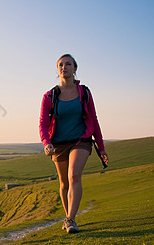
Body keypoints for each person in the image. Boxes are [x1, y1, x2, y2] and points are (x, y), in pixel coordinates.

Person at [39, 54, 109, 233]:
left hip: (81, 140)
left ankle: (70, 219)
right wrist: (46, 142)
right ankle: (68, 217)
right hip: (59, 144)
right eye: (61, 65)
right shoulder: (49, 96)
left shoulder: (84, 92)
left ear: (75, 68)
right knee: (63, 183)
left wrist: (101, 148)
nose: (64, 67)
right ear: (57, 70)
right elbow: (43, 124)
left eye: (68, 64)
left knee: (74, 176)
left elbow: (94, 119)